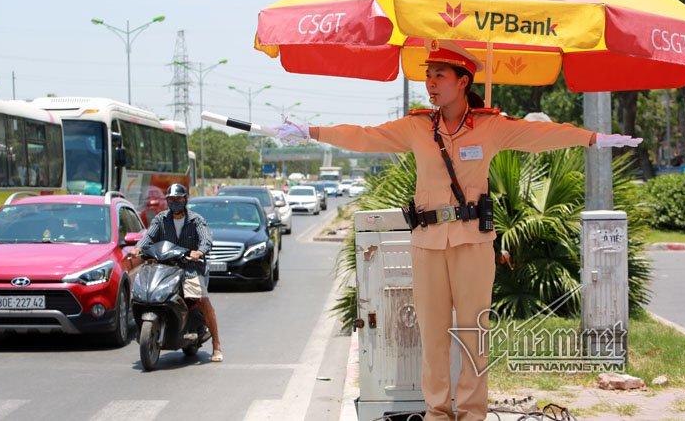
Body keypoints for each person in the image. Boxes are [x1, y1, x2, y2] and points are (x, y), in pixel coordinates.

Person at [270, 41, 641, 421]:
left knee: (473, 334)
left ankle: (471, 413)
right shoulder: (416, 127)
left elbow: (538, 136)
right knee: (432, 336)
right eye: (428, 76)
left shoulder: (490, 127)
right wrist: (311, 131)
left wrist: (593, 138)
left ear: (462, 81)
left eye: (439, 76)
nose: (430, 83)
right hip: (427, 243)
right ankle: (437, 412)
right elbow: (365, 136)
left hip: (473, 243)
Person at [132, 183, 224, 362]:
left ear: (185, 199)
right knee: (144, 292)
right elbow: (149, 236)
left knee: (200, 299)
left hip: (190, 267)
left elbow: (206, 239)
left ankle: (217, 345)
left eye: (178, 199)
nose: (175, 202)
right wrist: (138, 248)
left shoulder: (196, 220)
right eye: (171, 199)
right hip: (164, 266)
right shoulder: (160, 219)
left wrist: (200, 252)